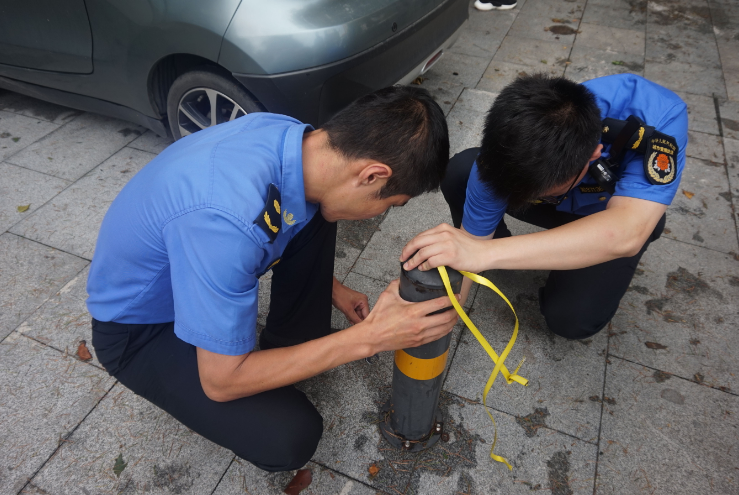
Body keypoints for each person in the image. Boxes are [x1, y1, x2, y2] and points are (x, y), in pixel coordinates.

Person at [86, 85, 459, 472]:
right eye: (388, 204)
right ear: (371, 175)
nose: (377, 215)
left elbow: (279, 221)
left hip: (197, 257)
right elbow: (220, 381)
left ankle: (287, 350)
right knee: (289, 437)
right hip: (139, 330)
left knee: (323, 207)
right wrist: (369, 338)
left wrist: (331, 289)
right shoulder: (226, 222)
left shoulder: (294, 138)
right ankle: (268, 366)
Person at [401, 73, 688, 340]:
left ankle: (643, 218)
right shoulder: (503, 151)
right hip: (571, 205)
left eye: (541, 193)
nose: (524, 200)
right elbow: (472, 239)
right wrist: (444, 311)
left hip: (612, 217)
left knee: (571, 319)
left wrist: (485, 253)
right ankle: (505, 254)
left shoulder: (657, 117)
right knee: (462, 171)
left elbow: (627, 231)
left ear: (593, 156)